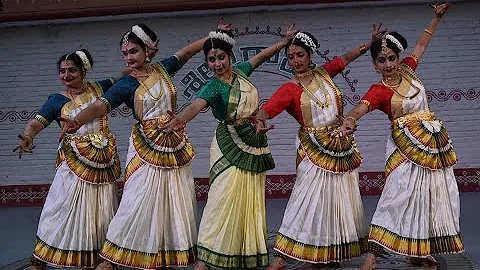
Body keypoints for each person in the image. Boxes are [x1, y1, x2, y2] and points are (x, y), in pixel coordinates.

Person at [60, 23, 230, 270]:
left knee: (172, 200)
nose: (128, 57)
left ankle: (161, 257)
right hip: (145, 146)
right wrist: (77, 120)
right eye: (125, 53)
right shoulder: (127, 84)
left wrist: (212, 36)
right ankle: (109, 259)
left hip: (172, 142)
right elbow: (101, 106)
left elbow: (185, 53)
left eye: (133, 51)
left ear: (149, 50)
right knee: (136, 200)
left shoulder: (162, 70)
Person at [335, 3, 464, 269]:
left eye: (391, 58)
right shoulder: (379, 90)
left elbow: (421, 45)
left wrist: (436, 18)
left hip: (432, 144)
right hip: (404, 149)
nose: (388, 64)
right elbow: (361, 107)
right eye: (381, 60)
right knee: (397, 197)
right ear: (375, 65)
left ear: (397, 57)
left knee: (429, 195)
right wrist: (349, 120)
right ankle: (372, 256)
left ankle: (417, 252)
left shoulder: (408, 68)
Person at [161, 25, 298, 269]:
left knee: (249, 198)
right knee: (221, 198)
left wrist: (284, 44)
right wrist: (179, 120)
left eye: (220, 57)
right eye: (211, 60)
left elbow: (261, 57)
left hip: (253, 139)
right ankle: (205, 259)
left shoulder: (242, 73)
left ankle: (242, 253)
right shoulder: (212, 86)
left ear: (230, 57)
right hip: (227, 142)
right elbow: (195, 106)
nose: (216, 64)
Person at [251, 24, 386, 269]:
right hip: (313, 149)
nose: (295, 61)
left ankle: (328, 253)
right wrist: (260, 120)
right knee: (305, 198)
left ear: (310, 55)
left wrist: (370, 42)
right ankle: (283, 256)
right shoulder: (290, 88)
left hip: (339, 143)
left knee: (336, 199)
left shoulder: (324, 73)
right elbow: (267, 109)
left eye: (300, 55)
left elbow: (345, 58)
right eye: (290, 57)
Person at [14, 49, 122, 270]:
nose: (66, 75)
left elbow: (125, 77)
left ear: (84, 70)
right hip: (72, 165)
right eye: (62, 71)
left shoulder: (100, 88)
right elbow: (36, 123)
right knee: (58, 209)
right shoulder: (56, 100)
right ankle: (39, 261)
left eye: (72, 70)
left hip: (101, 162)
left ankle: (101, 260)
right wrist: (28, 136)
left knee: (100, 211)